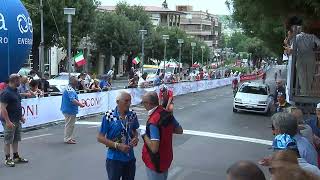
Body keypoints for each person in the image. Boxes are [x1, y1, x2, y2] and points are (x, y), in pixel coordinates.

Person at [97, 91, 139, 180]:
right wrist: (117, 145)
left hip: (130, 158)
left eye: (130, 101)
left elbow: (134, 130)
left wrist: (136, 138)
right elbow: (100, 137)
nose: (129, 104)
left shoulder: (132, 114)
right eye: (126, 101)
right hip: (114, 159)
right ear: (117, 102)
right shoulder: (109, 115)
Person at [141, 92, 183, 180]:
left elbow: (154, 148)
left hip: (155, 161)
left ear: (148, 103)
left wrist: (144, 135)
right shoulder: (167, 113)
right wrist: (165, 131)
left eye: (143, 102)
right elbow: (179, 130)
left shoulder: (153, 121)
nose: (142, 105)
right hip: (166, 157)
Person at [0, 74, 28, 167]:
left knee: (16, 139)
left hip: (16, 120)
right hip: (9, 121)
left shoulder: (16, 91)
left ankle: (15, 157)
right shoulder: (6, 93)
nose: (20, 82)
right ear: (14, 80)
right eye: (19, 80)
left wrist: (21, 117)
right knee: (8, 140)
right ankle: (8, 158)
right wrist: (7, 121)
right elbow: (3, 108)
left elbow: (17, 106)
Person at [60, 76, 85, 144]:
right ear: (73, 82)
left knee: (71, 124)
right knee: (69, 124)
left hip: (70, 109)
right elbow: (72, 100)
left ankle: (69, 137)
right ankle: (67, 138)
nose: (77, 82)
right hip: (69, 109)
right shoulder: (70, 89)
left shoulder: (70, 88)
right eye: (76, 81)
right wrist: (80, 104)